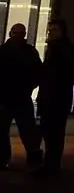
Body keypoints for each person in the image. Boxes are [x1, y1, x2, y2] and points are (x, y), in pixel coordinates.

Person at [36, 20, 74, 176]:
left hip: (56, 98)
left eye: (54, 29)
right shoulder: (59, 48)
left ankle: (51, 166)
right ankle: (51, 164)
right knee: (52, 133)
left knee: (53, 133)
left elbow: (59, 75)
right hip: (55, 97)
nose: (51, 32)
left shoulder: (61, 50)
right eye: (50, 29)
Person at [0, 24, 42, 169]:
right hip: (22, 96)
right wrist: (29, 87)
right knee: (27, 129)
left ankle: (3, 158)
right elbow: (38, 74)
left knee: (2, 129)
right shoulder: (30, 52)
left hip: (5, 97)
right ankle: (33, 157)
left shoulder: (3, 51)